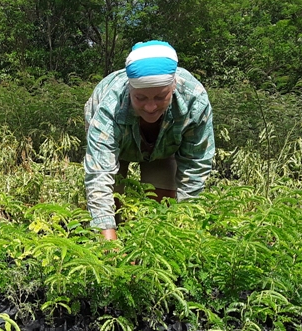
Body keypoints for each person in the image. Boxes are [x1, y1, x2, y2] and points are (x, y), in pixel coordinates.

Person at [84, 40, 215, 240]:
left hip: (164, 147)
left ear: (173, 86)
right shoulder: (109, 107)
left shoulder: (194, 101)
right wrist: (109, 244)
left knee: (161, 201)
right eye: (141, 98)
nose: (151, 107)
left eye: (160, 97)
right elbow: (99, 176)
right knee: (114, 194)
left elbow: (195, 167)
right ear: (130, 90)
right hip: (118, 145)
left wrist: (186, 229)